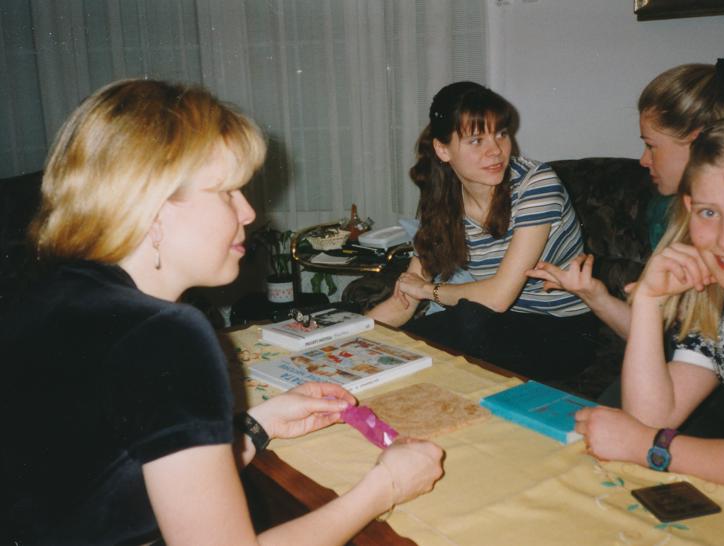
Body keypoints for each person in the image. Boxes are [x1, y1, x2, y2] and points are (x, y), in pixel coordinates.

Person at [0, 79, 443, 545]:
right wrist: (384, 487)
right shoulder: (164, 334)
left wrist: (255, 427)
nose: (249, 212)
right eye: (228, 192)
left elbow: (109, 477)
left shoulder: (47, 289)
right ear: (153, 208)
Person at [574, 114, 724, 501]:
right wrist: (648, 301)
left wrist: (651, 447)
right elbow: (650, 417)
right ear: (689, 208)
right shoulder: (718, 302)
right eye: (709, 213)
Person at [528, 58, 724, 340]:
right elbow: (660, 340)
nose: (644, 160)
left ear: (698, 145)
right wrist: (594, 296)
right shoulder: (670, 213)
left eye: (651, 146)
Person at [368, 81, 595, 380]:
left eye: (501, 134)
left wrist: (426, 290)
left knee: (465, 321)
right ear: (443, 149)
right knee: (399, 347)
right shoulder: (442, 202)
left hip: (562, 332)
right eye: (476, 140)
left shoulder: (537, 184)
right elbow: (404, 301)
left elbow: (498, 297)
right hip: (492, 326)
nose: (496, 150)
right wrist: (350, 333)